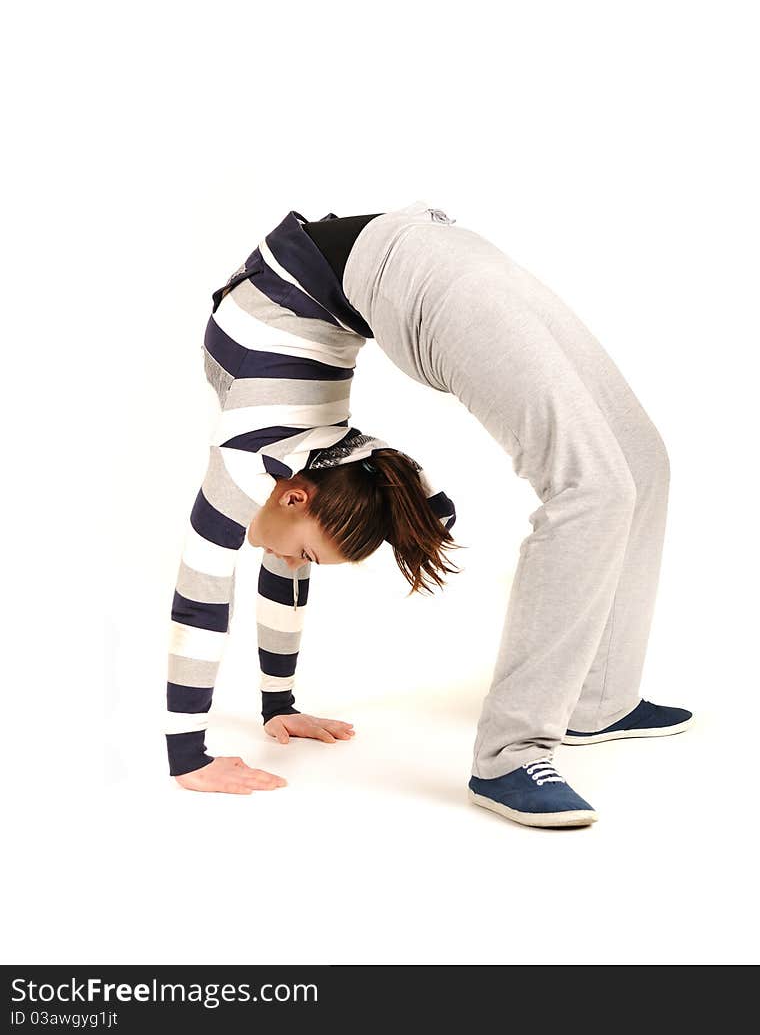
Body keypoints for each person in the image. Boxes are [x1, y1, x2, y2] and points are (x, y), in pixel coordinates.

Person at [166, 199, 691, 828]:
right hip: (431, 254)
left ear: (295, 494)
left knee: (614, 477)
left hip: (420, 276)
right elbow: (295, 563)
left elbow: (200, 603)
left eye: (304, 554)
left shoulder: (243, 466)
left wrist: (187, 755)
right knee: (618, 474)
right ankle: (594, 703)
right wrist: (279, 704)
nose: (286, 563)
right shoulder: (334, 460)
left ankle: (512, 753)